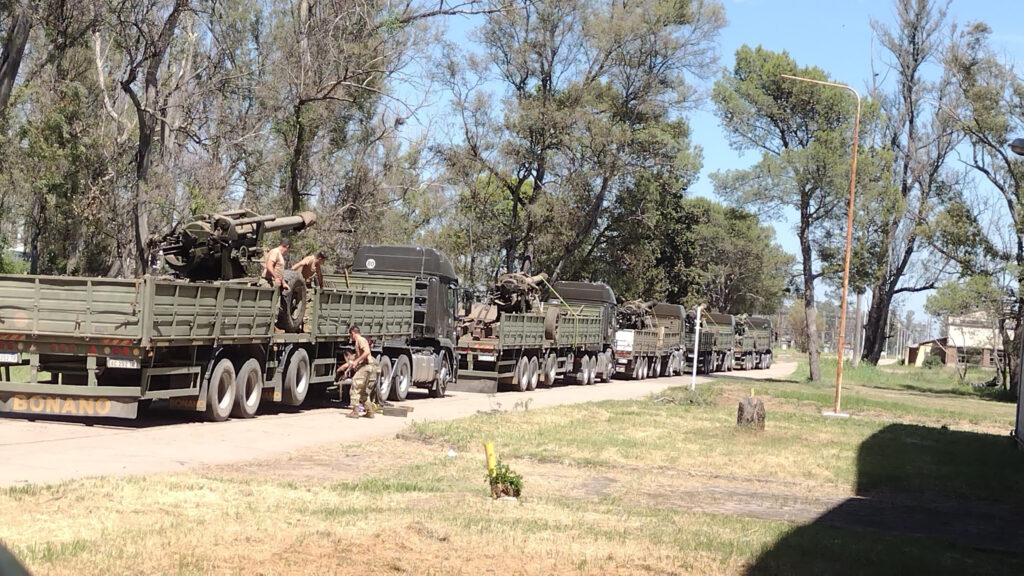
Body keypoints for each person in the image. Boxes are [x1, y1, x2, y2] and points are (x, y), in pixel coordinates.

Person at [336, 325, 377, 419]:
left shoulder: (360, 340)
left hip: (365, 367)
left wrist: (357, 361)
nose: (350, 337)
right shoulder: (359, 342)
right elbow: (353, 361)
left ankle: (355, 412)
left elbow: (367, 352)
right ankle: (370, 412)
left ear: (353, 333)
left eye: (350, 335)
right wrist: (347, 371)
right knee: (362, 391)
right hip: (367, 367)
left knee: (355, 387)